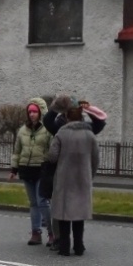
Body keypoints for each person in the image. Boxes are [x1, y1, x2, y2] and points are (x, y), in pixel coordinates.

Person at [46, 104, 99, 256]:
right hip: (83, 178)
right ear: (81, 117)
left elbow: (52, 156)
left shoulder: (61, 134)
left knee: (64, 215)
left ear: (67, 117)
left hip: (64, 178)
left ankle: (64, 246)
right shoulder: (90, 135)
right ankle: (79, 245)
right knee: (79, 215)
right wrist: (91, 175)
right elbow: (95, 159)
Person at [9, 99, 51, 245]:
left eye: (35, 111)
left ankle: (52, 233)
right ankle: (36, 232)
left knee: (42, 202)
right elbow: (17, 151)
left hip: (41, 169)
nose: (32, 114)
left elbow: (52, 150)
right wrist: (14, 169)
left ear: (40, 112)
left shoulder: (47, 130)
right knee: (33, 203)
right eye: (30, 112)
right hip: (26, 170)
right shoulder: (22, 130)